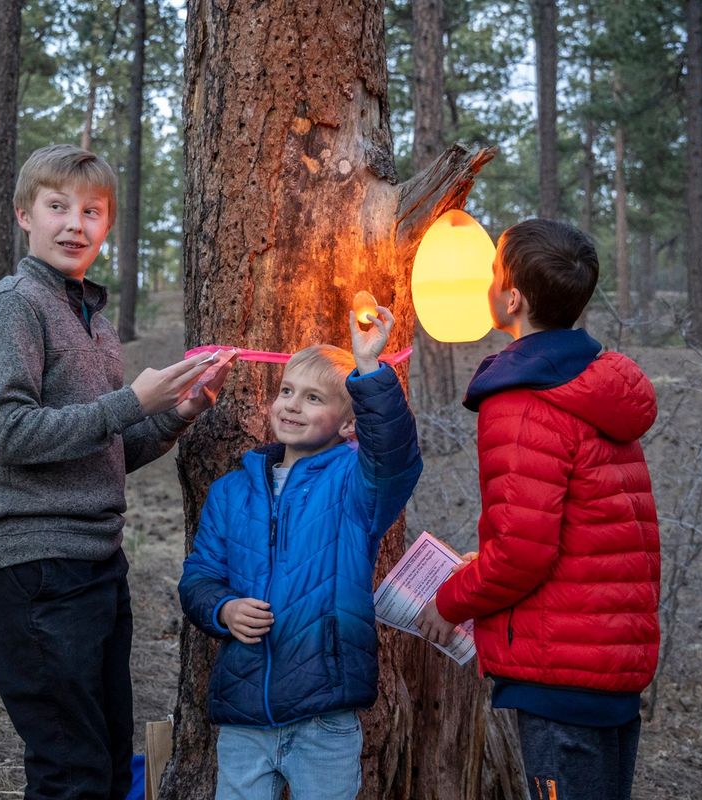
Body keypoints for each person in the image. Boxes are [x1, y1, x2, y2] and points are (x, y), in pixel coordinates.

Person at [0, 143, 232, 800]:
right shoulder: (14, 307)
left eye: (92, 211)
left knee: (109, 762)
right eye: (58, 207)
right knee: (70, 771)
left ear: (108, 225)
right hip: (32, 567)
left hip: (96, 566)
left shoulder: (95, 321)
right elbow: (11, 433)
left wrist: (177, 413)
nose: (74, 224)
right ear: (26, 214)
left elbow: (106, 449)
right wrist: (132, 400)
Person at [416, 218, 660, 800]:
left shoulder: (521, 400)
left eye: (494, 269)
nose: (486, 280)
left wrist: (451, 601)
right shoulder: (594, 384)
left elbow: (525, 553)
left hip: (560, 675)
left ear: (513, 297)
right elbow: (578, 525)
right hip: (606, 660)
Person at [178, 308, 423, 800]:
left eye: (314, 399)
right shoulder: (232, 492)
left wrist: (371, 370)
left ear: (348, 422)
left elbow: (395, 457)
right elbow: (199, 576)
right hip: (245, 715)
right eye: (287, 391)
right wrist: (222, 609)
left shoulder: (356, 487)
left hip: (324, 716)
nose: (291, 406)